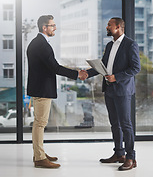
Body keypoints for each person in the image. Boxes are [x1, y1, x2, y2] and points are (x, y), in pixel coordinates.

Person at [27, 15, 87, 168]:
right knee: (40, 123)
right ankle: (39, 158)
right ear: (44, 28)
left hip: (39, 88)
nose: (55, 28)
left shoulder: (38, 43)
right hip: (42, 89)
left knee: (39, 122)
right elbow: (55, 68)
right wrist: (77, 74)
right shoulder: (42, 45)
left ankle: (39, 153)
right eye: (52, 25)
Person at [85, 17, 141, 171]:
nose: (107, 27)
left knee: (126, 124)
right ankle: (119, 153)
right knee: (115, 124)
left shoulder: (130, 45)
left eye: (109, 25)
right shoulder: (109, 45)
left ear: (118, 27)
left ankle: (131, 157)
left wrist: (116, 77)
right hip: (109, 90)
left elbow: (136, 68)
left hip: (123, 90)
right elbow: (102, 66)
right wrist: (86, 74)